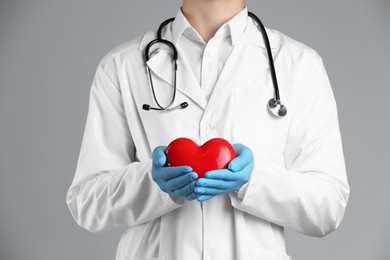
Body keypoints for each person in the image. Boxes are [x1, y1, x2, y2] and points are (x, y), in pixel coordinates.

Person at [65, 0, 350, 259]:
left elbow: (327, 209)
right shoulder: (122, 66)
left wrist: (254, 180)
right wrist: (152, 182)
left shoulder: (299, 65)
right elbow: (87, 204)